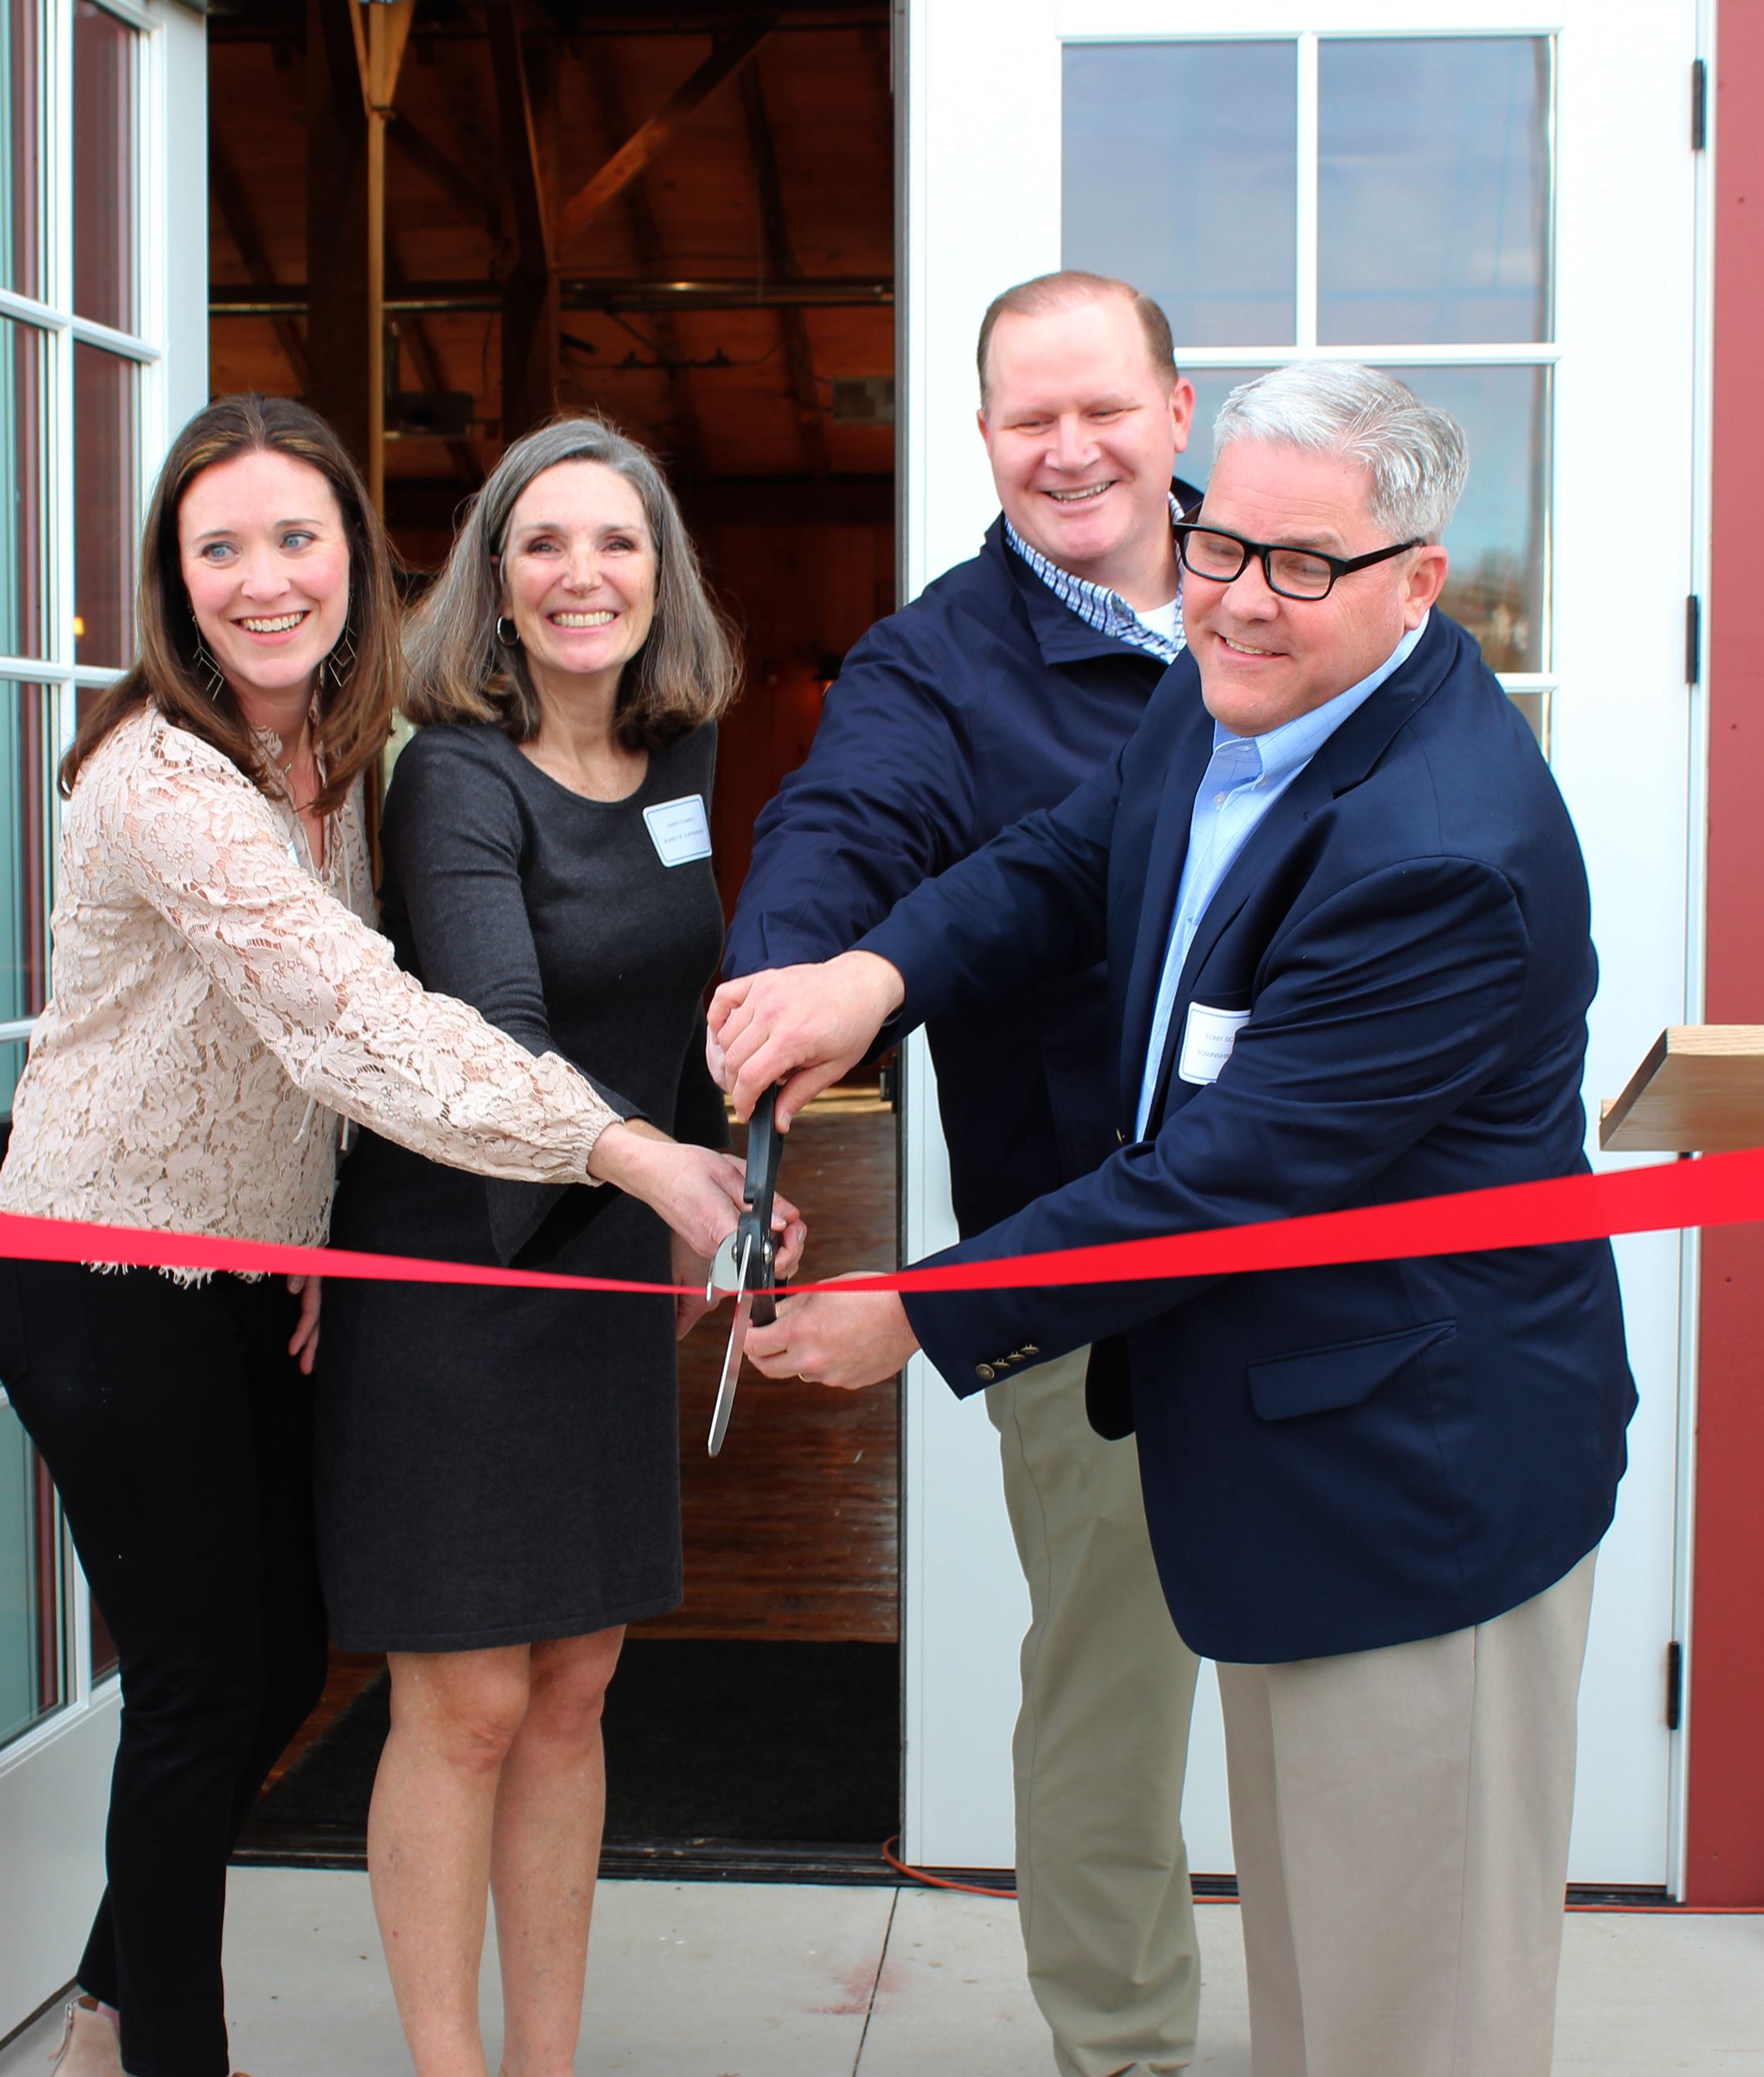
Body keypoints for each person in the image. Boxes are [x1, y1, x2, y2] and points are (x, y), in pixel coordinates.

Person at [710, 363, 1638, 2077]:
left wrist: (915, 1308)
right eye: (1219, 544)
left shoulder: (1441, 848)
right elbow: (1067, 856)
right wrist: (871, 971)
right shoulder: (1229, 688)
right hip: (1283, 1441)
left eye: (1303, 564)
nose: (1234, 595)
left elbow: (1222, 1178)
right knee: (1319, 1975)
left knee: (1403, 2017)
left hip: (1409, 1485)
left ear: (1417, 580)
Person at [0, 395, 761, 2077]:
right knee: (209, 1687)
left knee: (267, 1678)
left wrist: (334, 1236)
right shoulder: (170, 776)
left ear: (358, 557)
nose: (265, 579)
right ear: (172, 585)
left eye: (296, 538)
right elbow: (357, 1026)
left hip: (276, 1272)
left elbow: (336, 1062)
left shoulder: (330, 755)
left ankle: (114, 2005)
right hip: (108, 1275)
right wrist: (636, 1154)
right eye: (220, 550)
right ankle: (154, 2049)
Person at [721, 269, 1201, 2077]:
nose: (1067, 449)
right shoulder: (937, 658)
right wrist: (782, 995)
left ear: (1175, 409)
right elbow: (840, 830)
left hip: (1329, 1255)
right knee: (1104, 1705)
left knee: (1342, 1697)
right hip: (1073, 1266)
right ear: (982, 435)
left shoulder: (1288, 597)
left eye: (1101, 408)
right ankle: (1125, 2050)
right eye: (1026, 418)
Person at [312, 416, 797, 2077]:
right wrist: (669, 1175)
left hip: (605, 1275)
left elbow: (669, 1021)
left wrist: (732, 1176)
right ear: (495, 585)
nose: (582, 573)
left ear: (661, 579)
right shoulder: (451, 768)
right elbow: (502, 1039)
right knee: (466, 1704)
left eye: (617, 542)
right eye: (543, 543)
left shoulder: (676, 766)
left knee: (577, 1690)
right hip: (456, 1277)